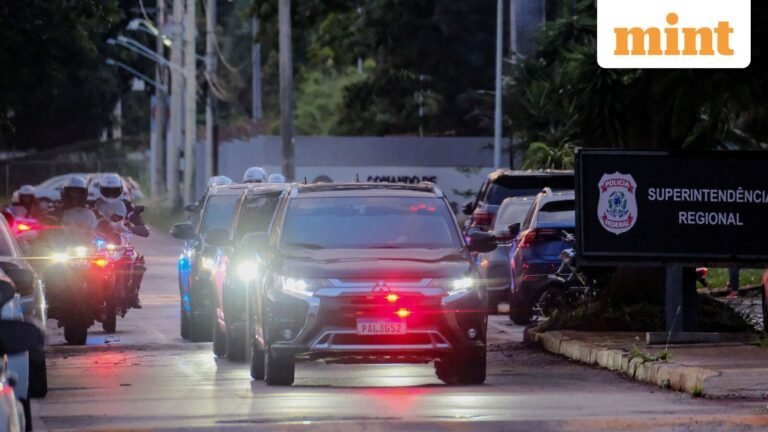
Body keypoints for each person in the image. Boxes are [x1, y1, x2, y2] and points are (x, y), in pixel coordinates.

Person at [94, 174, 149, 238]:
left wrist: (131, 228)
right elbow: (83, 219)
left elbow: (144, 230)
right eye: (107, 191)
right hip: (97, 240)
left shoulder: (127, 205)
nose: (111, 194)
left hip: (121, 242)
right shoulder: (93, 204)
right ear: (101, 189)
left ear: (121, 190)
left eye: (114, 191)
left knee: (129, 247)